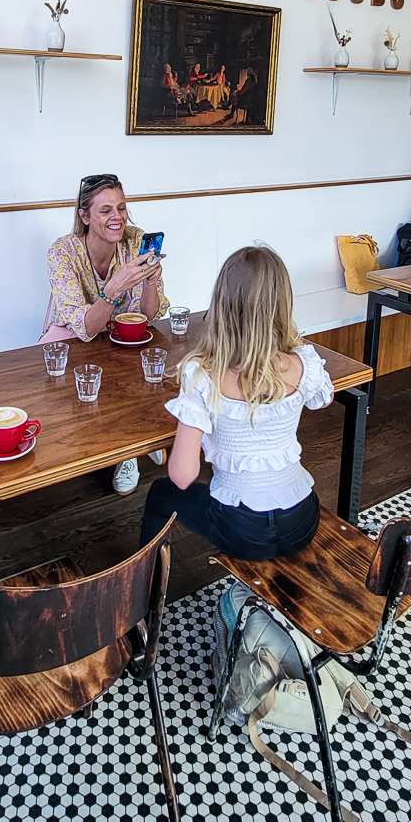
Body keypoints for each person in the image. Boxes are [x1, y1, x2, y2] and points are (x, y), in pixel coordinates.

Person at [140, 245, 333, 559]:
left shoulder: (202, 375)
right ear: (282, 304)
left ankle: (143, 595)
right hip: (303, 520)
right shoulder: (303, 363)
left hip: (241, 530)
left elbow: (182, 475)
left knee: (161, 493)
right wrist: (293, 340)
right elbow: (324, 399)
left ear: (221, 304)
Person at [45, 173, 170, 494]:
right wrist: (113, 289)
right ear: (84, 216)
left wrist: (150, 279)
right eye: (105, 210)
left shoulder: (135, 240)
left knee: (151, 362)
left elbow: (150, 314)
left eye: (121, 207)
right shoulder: (62, 253)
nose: (117, 217)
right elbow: (85, 330)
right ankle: (131, 443)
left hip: (124, 332)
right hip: (74, 337)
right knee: (87, 387)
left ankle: (136, 439)